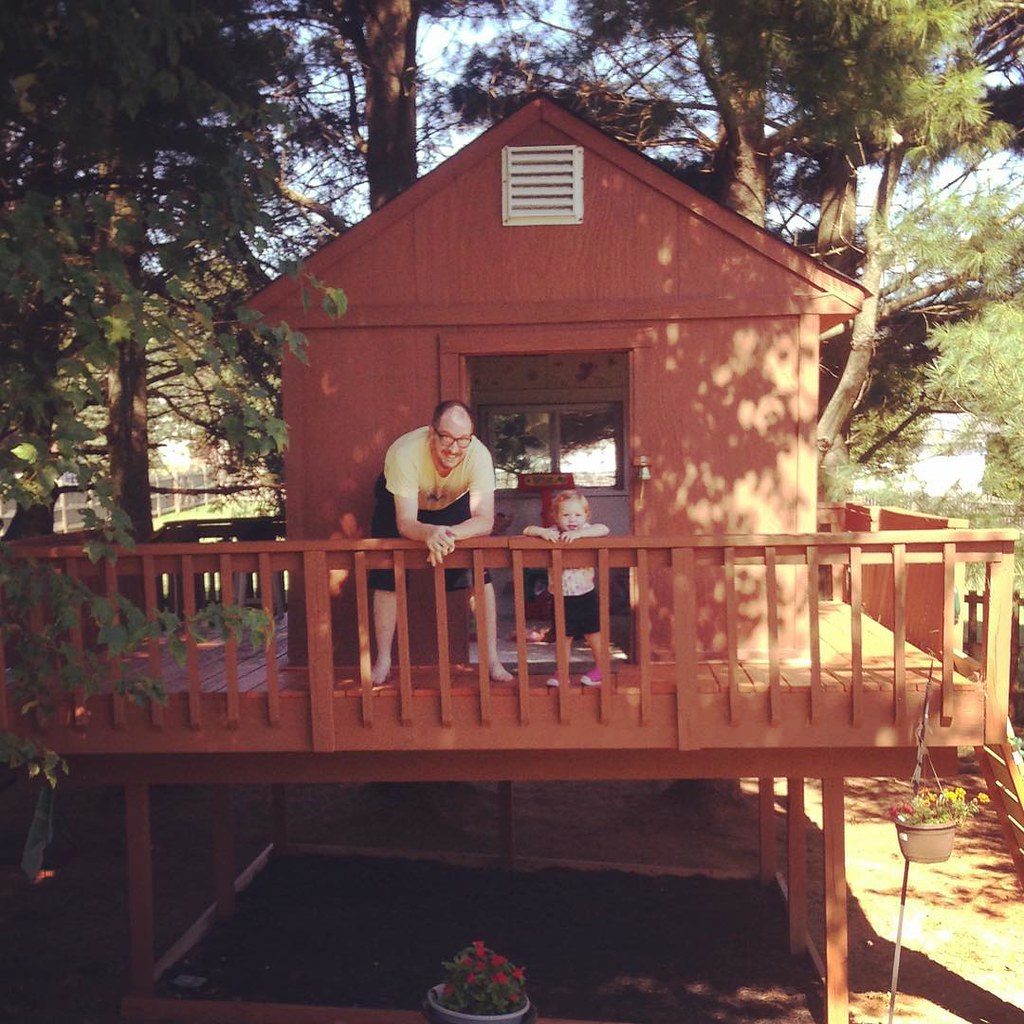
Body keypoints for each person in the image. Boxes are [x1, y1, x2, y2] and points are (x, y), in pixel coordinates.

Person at [368, 400, 513, 685]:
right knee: (387, 572)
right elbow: (406, 523)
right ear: (432, 433)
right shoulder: (405, 453)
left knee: (478, 571)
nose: (454, 447)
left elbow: (485, 520)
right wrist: (428, 533)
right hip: (401, 501)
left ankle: (492, 660)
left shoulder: (479, 456)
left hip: (450, 502)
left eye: (462, 440)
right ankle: (383, 660)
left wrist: (448, 534)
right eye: (446, 437)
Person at [522, 489, 610, 687]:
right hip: (560, 597)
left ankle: (602, 668)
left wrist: (580, 534)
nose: (572, 519)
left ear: (586, 516)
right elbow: (527, 530)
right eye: (566, 514)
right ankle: (562, 672)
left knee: (593, 633)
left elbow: (604, 529)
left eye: (578, 515)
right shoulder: (553, 533)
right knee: (563, 636)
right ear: (556, 516)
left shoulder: (587, 530)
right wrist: (542, 531)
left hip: (585, 594)